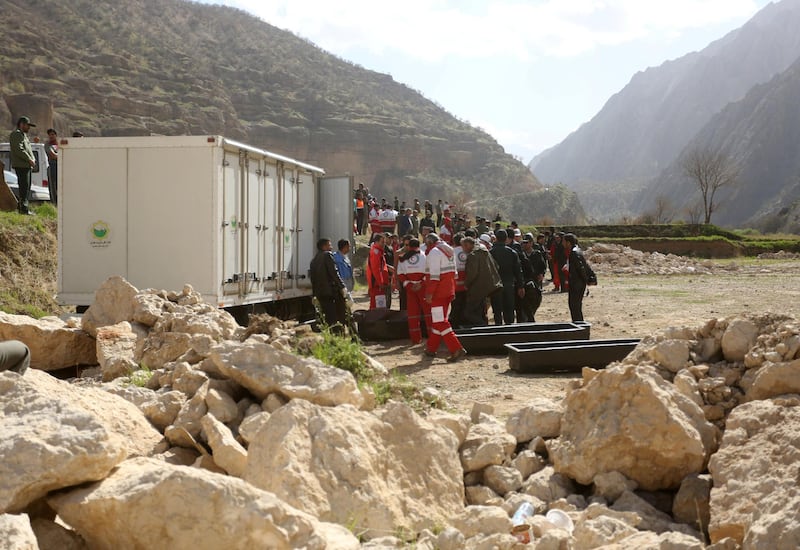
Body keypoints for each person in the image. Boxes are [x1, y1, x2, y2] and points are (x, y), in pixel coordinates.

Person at [423, 233, 467, 361]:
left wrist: (429, 293)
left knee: (440, 321)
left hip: (438, 292)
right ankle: (431, 348)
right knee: (439, 319)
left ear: (430, 242)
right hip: (449, 290)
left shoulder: (434, 253)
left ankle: (456, 348)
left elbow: (434, 277)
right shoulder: (448, 250)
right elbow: (455, 275)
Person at [462, 236, 502, 327]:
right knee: (481, 311)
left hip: (478, 288)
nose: (463, 249)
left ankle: (482, 326)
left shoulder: (473, 255)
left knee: (469, 312)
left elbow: (472, 273)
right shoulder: (485, 251)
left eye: (463, 246)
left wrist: (466, 284)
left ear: (467, 245)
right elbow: (496, 265)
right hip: (491, 285)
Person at [309, 238, 347, 332]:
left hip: (320, 294)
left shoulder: (313, 261)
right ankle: (338, 335)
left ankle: (331, 336)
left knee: (328, 317)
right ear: (324, 246)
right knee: (338, 316)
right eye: (329, 245)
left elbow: (313, 279)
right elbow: (334, 273)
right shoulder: (328, 255)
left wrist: (314, 295)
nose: (331, 247)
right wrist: (342, 287)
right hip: (331, 293)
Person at [490, 229, 524, 325]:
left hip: (495, 285)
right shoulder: (512, 252)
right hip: (509, 284)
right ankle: (509, 330)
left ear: (496, 239)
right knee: (509, 309)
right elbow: (518, 270)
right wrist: (521, 286)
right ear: (506, 239)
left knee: (497, 311)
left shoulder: (490, 253)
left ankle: (498, 331)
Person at [397, 238, 428, 344]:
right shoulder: (425, 256)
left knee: (413, 314)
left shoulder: (402, 258)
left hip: (410, 289)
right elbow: (428, 273)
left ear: (409, 246)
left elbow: (400, 275)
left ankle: (415, 339)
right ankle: (432, 337)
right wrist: (421, 284)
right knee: (428, 313)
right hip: (422, 288)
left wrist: (410, 285)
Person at [563, 233, 594, 322]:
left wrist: (587, 280)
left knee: (574, 306)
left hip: (576, 284)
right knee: (575, 306)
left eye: (564, 241)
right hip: (577, 283)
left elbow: (581, 268)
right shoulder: (577, 251)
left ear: (568, 243)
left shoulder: (574, 253)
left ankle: (579, 325)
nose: (563, 243)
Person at [9, 116, 37, 215]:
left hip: (26, 165)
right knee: (24, 187)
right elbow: (19, 149)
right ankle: (23, 209)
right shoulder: (16, 134)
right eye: (27, 125)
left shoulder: (23, 135)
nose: (29, 128)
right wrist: (29, 159)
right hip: (22, 165)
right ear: (21, 124)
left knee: (26, 187)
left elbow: (28, 150)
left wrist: (32, 158)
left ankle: (24, 208)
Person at [518, 235, 547, 322]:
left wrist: (542, 274)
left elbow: (543, 266)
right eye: (523, 243)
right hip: (525, 281)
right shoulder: (520, 255)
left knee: (535, 300)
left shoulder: (537, 254)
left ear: (531, 243)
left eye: (527, 243)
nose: (525, 245)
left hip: (535, 281)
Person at [366, 233, 389, 308]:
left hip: (378, 283)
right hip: (377, 284)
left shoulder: (378, 252)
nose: (384, 244)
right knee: (378, 305)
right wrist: (380, 282)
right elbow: (376, 269)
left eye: (384, 242)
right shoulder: (376, 252)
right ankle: (374, 319)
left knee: (377, 304)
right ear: (376, 242)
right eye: (382, 242)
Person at [449, 233, 467, 328]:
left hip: (455, 284)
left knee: (455, 306)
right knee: (465, 305)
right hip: (467, 284)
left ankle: (455, 325)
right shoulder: (468, 251)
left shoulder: (451, 251)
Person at [45, 128, 58, 205]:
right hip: (52, 166)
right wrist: (62, 156)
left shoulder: (59, 144)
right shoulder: (47, 145)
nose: (51, 136)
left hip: (61, 166)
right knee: (53, 185)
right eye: (50, 135)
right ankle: (54, 203)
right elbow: (52, 155)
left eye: (53, 134)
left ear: (56, 135)